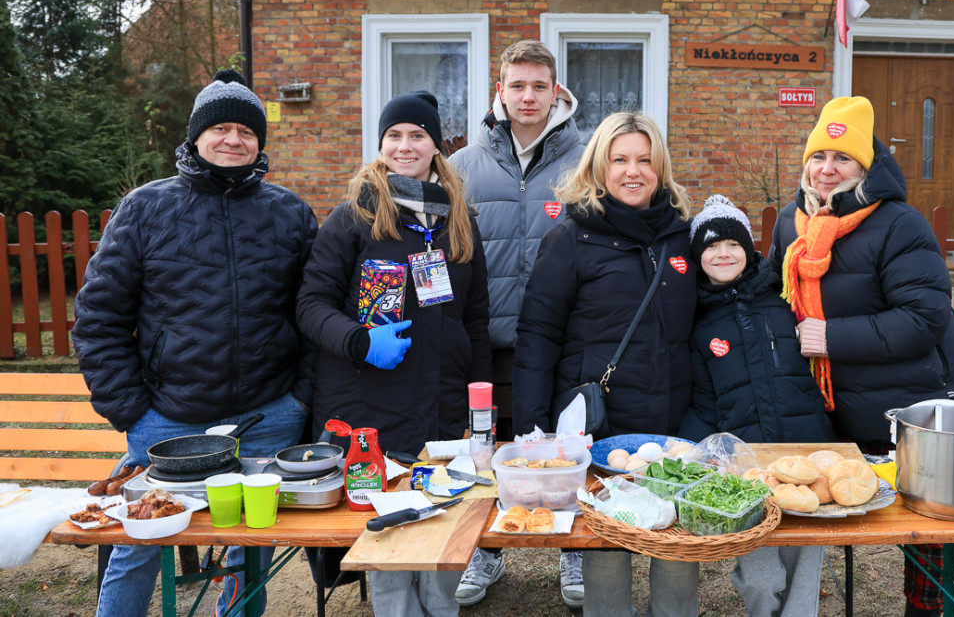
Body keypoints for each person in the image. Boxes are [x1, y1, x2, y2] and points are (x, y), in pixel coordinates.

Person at [72, 69, 318, 617]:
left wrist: (299, 398)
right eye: (222, 128)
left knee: (250, 543)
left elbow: (313, 314)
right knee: (139, 545)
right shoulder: (144, 208)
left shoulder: (291, 213)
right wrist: (131, 411)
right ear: (196, 136)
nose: (234, 140)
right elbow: (98, 316)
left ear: (260, 142)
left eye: (246, 131)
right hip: (167, 421)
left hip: (268, 414)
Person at [768, 96, 954, 617]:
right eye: (819, 157)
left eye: (843, 159)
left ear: (865, 167)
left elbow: (925, 319)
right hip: (828, 404)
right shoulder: (791, 227)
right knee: (806, 503)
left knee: (923, 529)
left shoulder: (899, 224)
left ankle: (925, 611)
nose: (827, 169)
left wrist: (830, 337)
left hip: (908, 405)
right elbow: (772, 297)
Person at [296, 90, 490, 617]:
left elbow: (475, 319)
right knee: (387, 537)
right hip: (369, 405)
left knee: (441, 525)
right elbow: (310, 305)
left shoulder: (459, 221)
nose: (405, 146)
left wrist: (480, 411)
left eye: (418, 135)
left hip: (444, 407)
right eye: (394, 136)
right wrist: (359, 340)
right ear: (380, 145)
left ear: (437, 146)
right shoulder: (353, 217)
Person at [513, 111, 699, 617]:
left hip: (670, 426)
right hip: (597, 426)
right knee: (605, 549)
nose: (632, 171)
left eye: (644, 160)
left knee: (677, 546)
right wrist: (535, 432)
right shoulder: (571, 238)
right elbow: (537, 336)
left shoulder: (684, 237)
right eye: (619, 160)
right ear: (599, 167)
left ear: (660, 168)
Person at [447, 39, 586, 608]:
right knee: (491, 452)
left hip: (568, 340)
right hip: (491, 343)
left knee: (570, 448)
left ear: (556, 93)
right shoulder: (461, 167)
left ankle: (577, 550)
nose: (528, 96)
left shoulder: (588, 161)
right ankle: (487, 549)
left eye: (539, 86)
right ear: (498, 91)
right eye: (517, 85)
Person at [678, 194, 834, 617]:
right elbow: (702, 400)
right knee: (763, 579)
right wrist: (698, 454)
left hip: (803, 455)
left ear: (748, 249)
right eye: (710, 246)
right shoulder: (696, 320)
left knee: (803, 562)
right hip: (746, 469)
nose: (723, 253)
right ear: (698, 256)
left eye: (732, 244)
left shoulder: (782, 300)